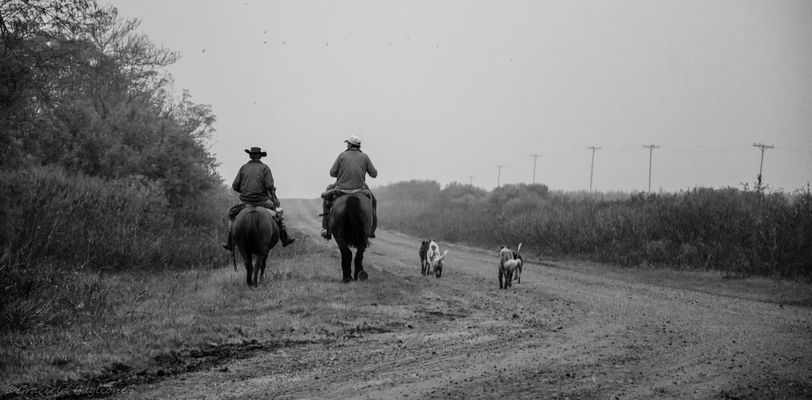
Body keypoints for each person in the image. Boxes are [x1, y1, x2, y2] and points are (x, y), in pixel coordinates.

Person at [223, 146, 295, 250]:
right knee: (278, 215)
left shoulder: (243, 168)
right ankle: (285, 237)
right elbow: (270, 186)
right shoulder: (265, 168)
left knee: (232, 215)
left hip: (245, 201)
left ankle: (230, 241)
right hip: (262, 201)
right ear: (260, 157)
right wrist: (274, 199)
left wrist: (244, 192)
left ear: (251, 156)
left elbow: (235, 186)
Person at [321, 135, 378, 240]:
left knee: (326, 200)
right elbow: (374, 174)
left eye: (347, 143)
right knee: (373, 202)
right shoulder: (365, 157)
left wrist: (342, 173)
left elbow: (332, 173)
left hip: (340, 189)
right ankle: (372, 230)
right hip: (360, 189)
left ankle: (325, 229)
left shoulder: (342, 155)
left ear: (350, 145)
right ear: (358, 146)